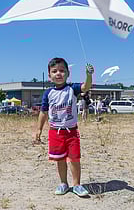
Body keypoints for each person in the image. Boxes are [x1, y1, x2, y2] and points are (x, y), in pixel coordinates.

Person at [35, 58, 94, 197]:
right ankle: (63, 183)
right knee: (60, 159)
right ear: (49, 76)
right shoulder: (48, 93)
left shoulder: (72, 89)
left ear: (68, 73)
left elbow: (86, 87)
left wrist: (89, 75)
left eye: (62, 70)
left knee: (74, 159)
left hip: (71, 132)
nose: (58, 73)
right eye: (54, 71)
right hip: (55, 133)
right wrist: (39, 129)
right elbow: (43, 112)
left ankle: (77, 185)